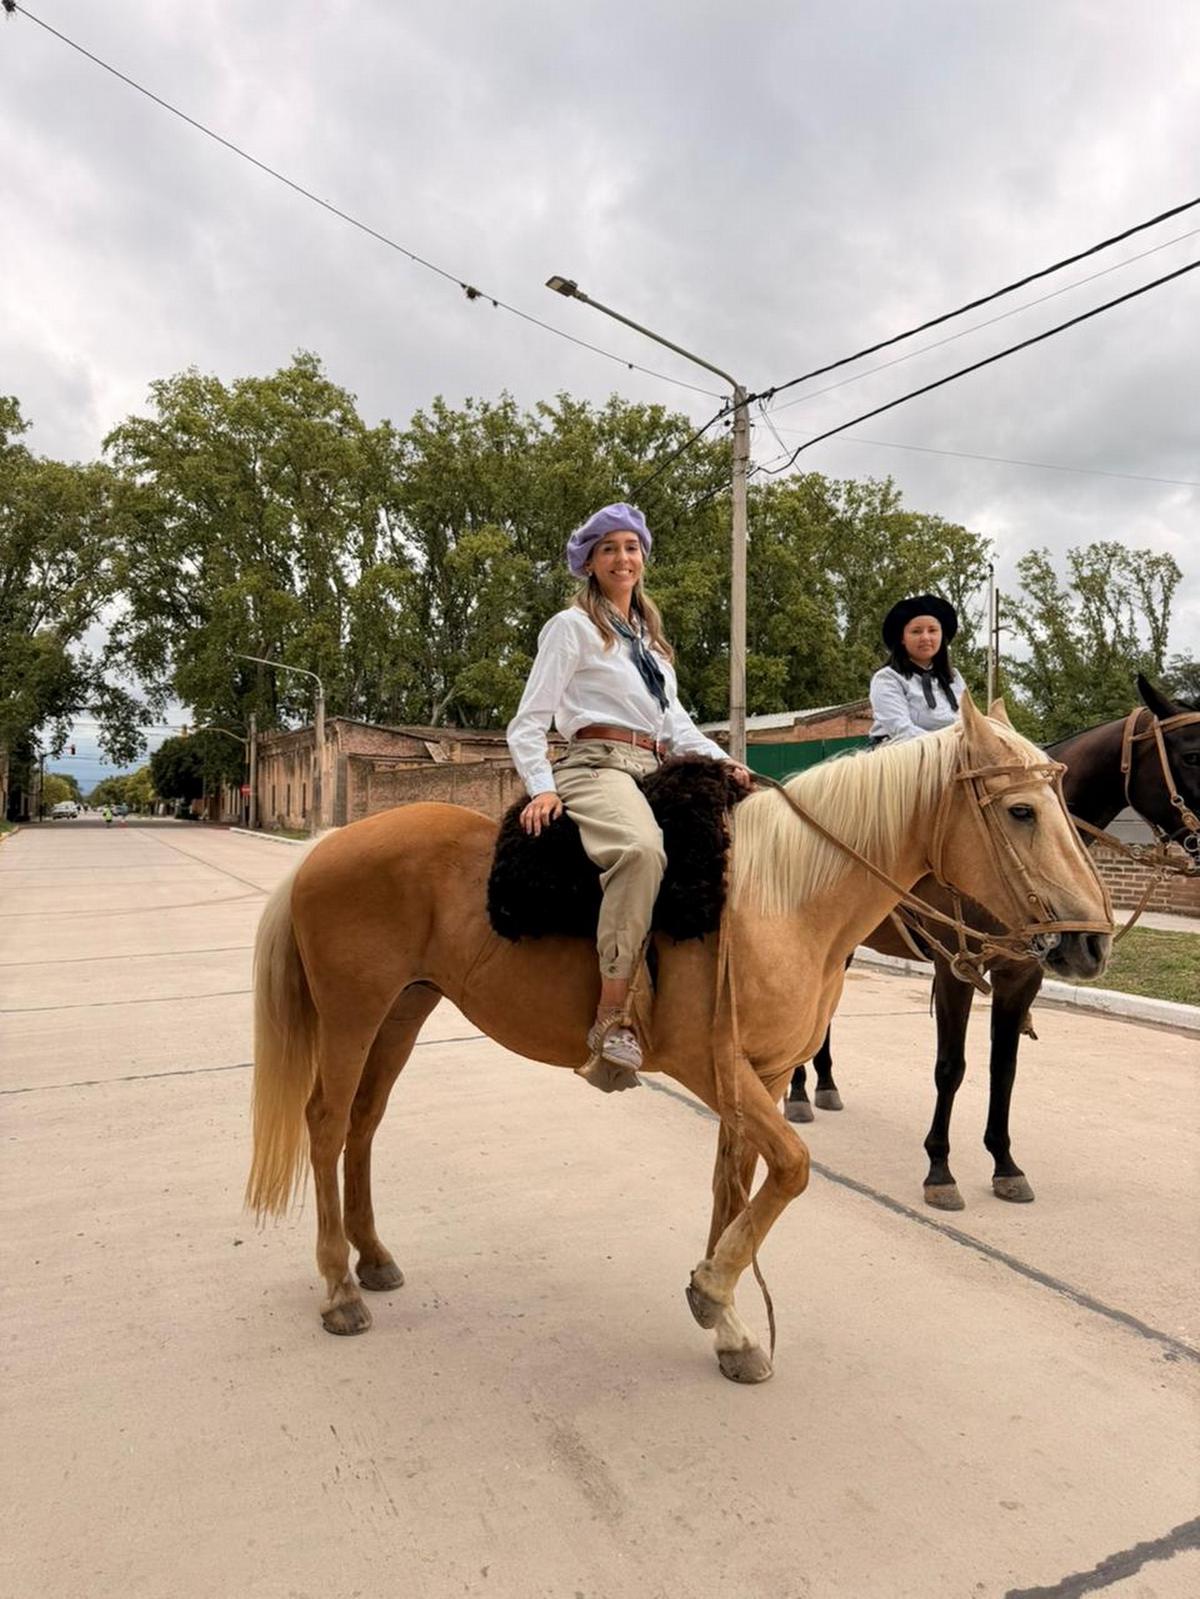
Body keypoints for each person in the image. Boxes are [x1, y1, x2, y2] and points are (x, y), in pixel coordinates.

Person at [507, 503, 752, 1087]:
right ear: (590, 563)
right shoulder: (572, 629)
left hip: (654, 764)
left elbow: (678, 727)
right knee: (641, 852)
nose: (623, 558)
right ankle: (611, 1014)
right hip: (596, 765)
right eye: (609, 549)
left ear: (643, 558)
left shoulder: (650, 645)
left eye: (631, 547)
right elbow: (527, 721)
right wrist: (541, 787)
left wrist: (725, 761)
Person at [868, 593, 967, 744]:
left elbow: (967, 721)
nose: (926, 638)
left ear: (942, 635)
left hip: (955, 755)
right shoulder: (887, 678)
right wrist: (949, 745)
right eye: (916, 631)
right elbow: (902, 731)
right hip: (901, 757)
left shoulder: (954, 677)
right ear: (902, 638)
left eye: (933, 630)